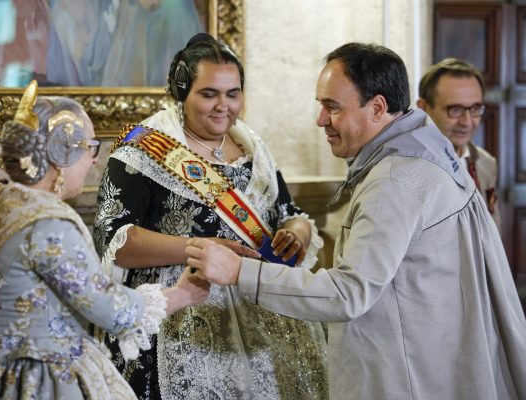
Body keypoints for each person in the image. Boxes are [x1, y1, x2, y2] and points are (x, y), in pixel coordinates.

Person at [185, 42, 526, 400]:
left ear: (377, 108)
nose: (320, 119)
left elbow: (348, 293)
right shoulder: (426, 152)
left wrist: (240, 272)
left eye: (332, 107)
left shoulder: (395, 179)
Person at [0, 80, 209, 399]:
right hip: (37, 378)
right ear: (62, 154)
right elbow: (110, 310)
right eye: (91, 147)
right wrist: (181, 294)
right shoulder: (48, 223)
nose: (93, 160)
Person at [94, 33, 329, 399]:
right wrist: (198, 247)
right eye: (209, 94)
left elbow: (290, 213)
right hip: (180, 313)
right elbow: (114, 240)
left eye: (233, 94)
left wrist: (296, 234)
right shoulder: (144, 147)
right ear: (181, 92)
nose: (223, 106)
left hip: (260, 309)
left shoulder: (252, 147)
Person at [417, 58, 501, 230]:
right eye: (455, 110)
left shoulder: (486, 163)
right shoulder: (408, 167)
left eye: (475, 109)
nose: (467, 122)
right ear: (424, 108)